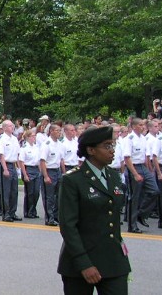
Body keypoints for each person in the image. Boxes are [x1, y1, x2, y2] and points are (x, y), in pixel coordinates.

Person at [57, 126, 131, 294]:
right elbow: (68, 226)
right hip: (81, 261)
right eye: (107, 146)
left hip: (113, 260)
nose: (112, 150)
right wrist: (84, 264)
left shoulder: (113, 176)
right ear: (91, 150)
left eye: (113, 145)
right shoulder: (73, 180)